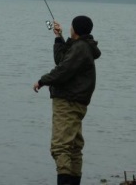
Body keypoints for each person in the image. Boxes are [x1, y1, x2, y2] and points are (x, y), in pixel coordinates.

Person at [33, 16, 101, 185]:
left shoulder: (80, 48)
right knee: (74, 148)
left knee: (61, 147)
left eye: (71, 26)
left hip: (68, 102)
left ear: (75, 29)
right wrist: (58, 37)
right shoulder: (81, 47)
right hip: (76, 102)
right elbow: (62, 60)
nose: (70, 28)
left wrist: (42, 81)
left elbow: (63, 70)